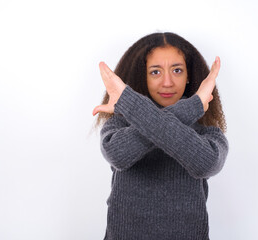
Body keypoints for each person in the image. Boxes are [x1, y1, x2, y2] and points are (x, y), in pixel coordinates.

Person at [93, 32, 229, 240]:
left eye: (177, 70)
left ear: (189, 75)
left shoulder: (206, 130)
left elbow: (206, 164)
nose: (167, 82)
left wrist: (129, 103)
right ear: (143, 76)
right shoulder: (120, 122)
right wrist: (192, 106)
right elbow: (118, 155)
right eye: (155, 72)